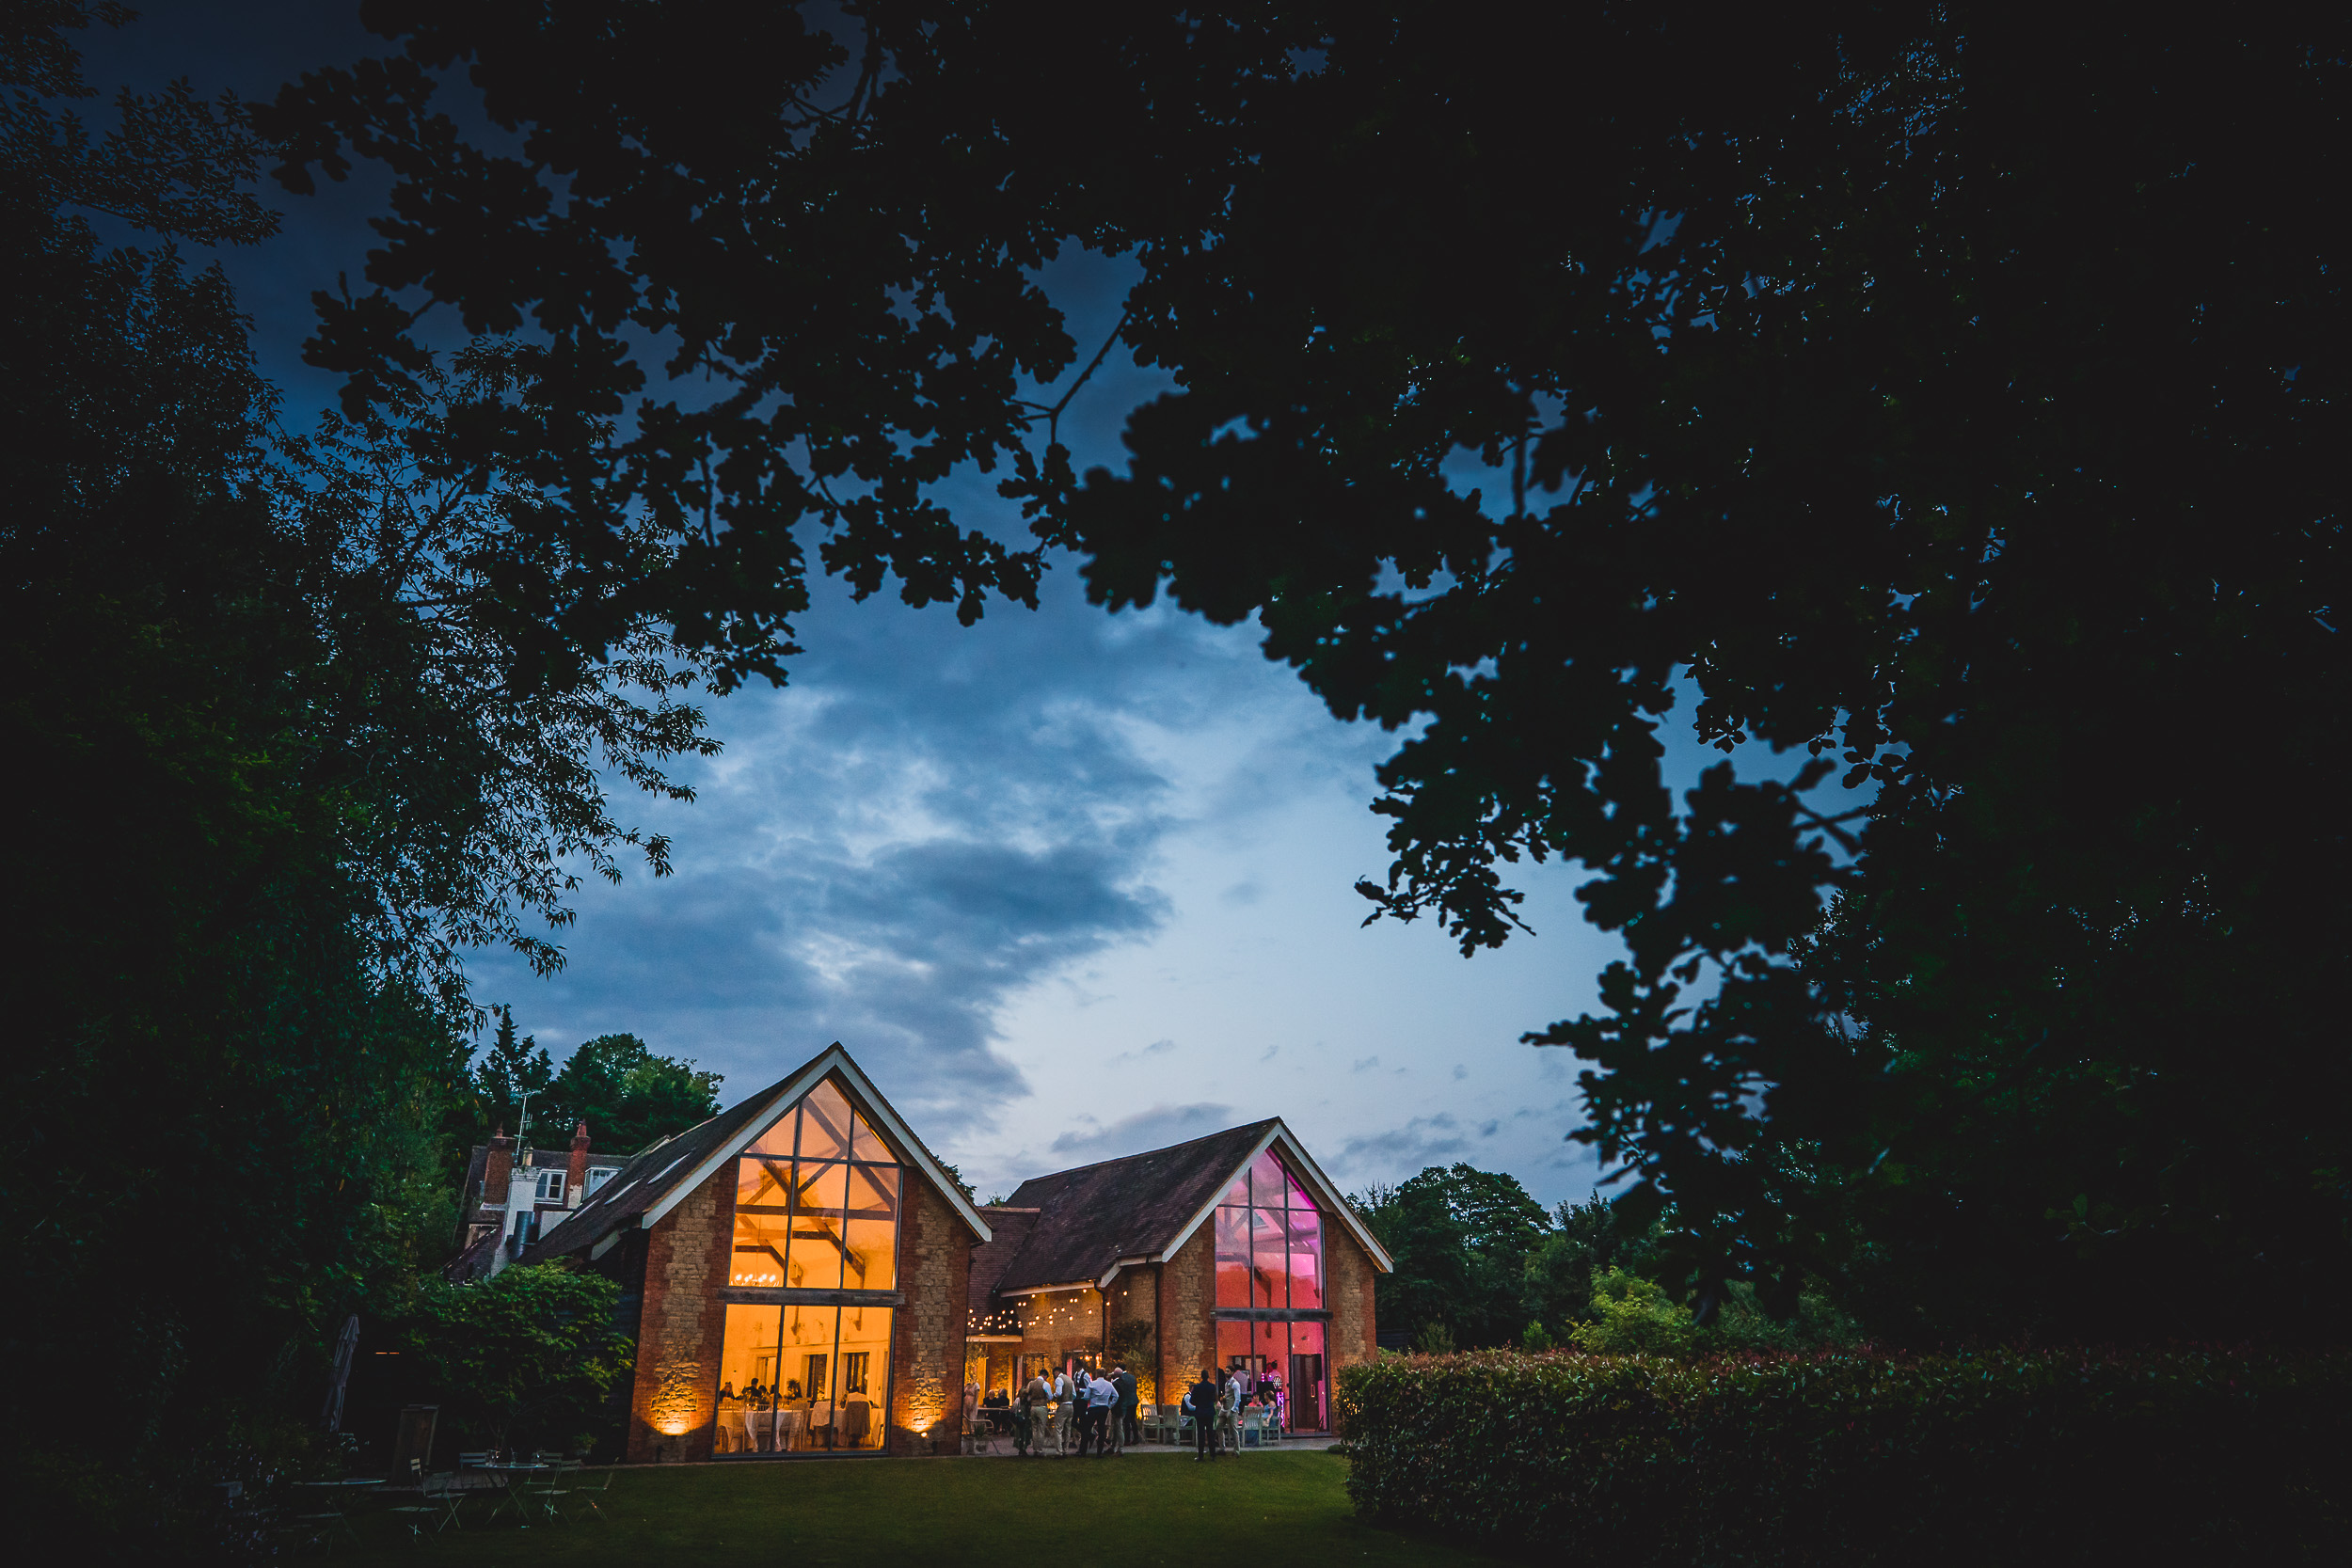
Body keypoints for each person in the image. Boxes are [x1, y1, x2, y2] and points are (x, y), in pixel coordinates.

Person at [1190, 1368, 1221, 1460]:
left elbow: (1192, 1400)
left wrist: (1198, 1404)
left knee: (1201, 1434)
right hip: (1209, 1412)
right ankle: (1213, 1455)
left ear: (1201, 1377)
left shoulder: (1197, 1387)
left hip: (1200, 1412)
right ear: (1208, 1377)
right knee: (1210, 1433)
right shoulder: (1212, 1387)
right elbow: (1215, 1398)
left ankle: (1200, 1455)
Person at [1024, 1369, 1053, 1458]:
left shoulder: (1031, 1383)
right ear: (1045, 1376)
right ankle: (1039, 1450)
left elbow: (1027, 1393)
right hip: (1042, 1407)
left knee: (1034, 1429)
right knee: (1041, 1429)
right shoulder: (1045, 1384)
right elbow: (1050, 1397)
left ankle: (1035, 1449)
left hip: (1033, 1407)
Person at [1113, 1363, 1138, 1450]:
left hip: (1126, 1401)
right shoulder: (1132, 1377)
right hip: (1134, 1400)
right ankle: (1136, 1438)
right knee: (1133, 1419)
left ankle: (1127, 1440)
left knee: (1126, 1421)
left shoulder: (1121, 1379)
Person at [1052, 1365, 1076, 1455]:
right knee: (1067, 1429)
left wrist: (1053, 1396)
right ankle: (1066, 1450)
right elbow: (1074, 1395)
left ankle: (1059, 1451)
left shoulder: (1059, 1379)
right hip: (1071, 1405)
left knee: (1058, 1429)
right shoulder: (1069, 1380)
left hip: (1063, 1405)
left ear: (1056, 1372)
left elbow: (1059, 1393)